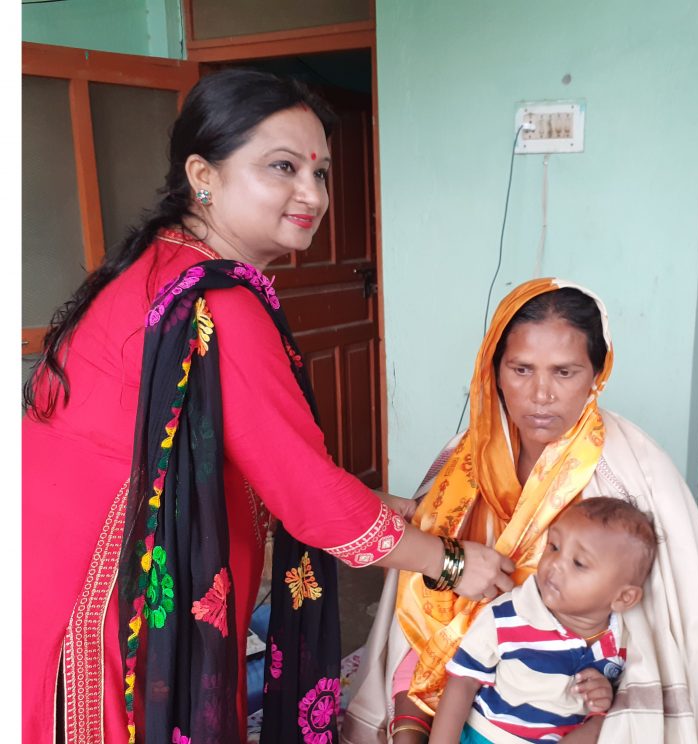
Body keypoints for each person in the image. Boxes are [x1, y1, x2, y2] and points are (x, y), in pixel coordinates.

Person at [21, 69, 515, 744]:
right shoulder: (219, 303)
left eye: (321, 173)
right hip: (109, 584)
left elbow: (241, 448)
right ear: (203, 174)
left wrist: (378, 503)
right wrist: (453, 562)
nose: (312, 194)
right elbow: (309, 498)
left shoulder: (164, 265)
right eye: (283, 167)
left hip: (49, 550)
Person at [341, 278, 698, 744]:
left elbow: (654, 626)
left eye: (565, 372)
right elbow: (424, 597)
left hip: (569, 678)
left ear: (597, 373)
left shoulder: (635, 473)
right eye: (521, 369)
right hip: (472, 656)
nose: (541, 394)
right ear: (494, 369)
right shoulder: (467, 455)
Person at [428, 497, 657, 743]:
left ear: (623, 598)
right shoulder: (509, 614)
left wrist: (604, 696)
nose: (555, 564)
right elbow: (463, 682)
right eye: (553, 546)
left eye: (579, 563)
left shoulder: (624, 641)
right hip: (487, 735)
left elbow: (618, 708)